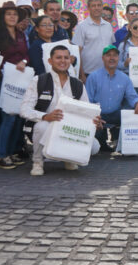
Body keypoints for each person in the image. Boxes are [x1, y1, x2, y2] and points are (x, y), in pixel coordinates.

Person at [20, 45, 102, 174]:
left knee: (94, 146)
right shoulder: (39, 81)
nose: (63, 61)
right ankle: (37, 162)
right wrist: (45, 116)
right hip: (46, 127)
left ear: (71, 60)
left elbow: (86, 111)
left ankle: (68, 159)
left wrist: (94, 121)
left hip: (69, 129)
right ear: (50, 61)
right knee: (41, 126)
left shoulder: (77, 84)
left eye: (66, 58)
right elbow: (24, 109)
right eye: (58, 57)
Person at [86, 45, 138, 153]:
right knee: (99, 147)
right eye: (108, 55)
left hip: (115, 114)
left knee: (132, 113)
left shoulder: (125, 78)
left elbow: (132, 96)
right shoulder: (93, 77)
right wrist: (94, 117)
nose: (112, 58)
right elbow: (87, 101)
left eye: (115, 55)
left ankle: (122, 141)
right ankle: (102, 140)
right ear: (103, 58)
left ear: (118, 58)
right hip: (98, 115)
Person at [0, 2, 30, 169]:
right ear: (3, 17)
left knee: (17, 117)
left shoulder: (21, 34)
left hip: (19, 79)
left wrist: (23, 62)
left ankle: (11, 152)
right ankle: (1, 154)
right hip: (3, 79)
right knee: (7, 117)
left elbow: (26, 55)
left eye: (14, 14)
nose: (12, 17)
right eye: (9, 14)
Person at [72, 0, 115, 82]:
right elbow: (77, 52)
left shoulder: (108, 25)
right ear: (88, 7)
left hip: (107, 72)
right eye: (93, 5)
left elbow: (111, 48)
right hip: (88, 73)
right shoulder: (82, 26)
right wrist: (81, 74)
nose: (96, 8)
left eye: (99, 5)